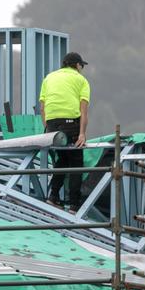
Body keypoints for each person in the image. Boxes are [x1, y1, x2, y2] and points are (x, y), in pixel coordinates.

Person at [39, 52, 90, 212]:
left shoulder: (49, 78)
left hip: (52, 125)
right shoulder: (81, 80)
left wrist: (48, 129)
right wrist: (82, 134)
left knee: (62, 158)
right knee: (76, 161)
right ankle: (74, 204)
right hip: (71, 122)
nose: (82, 69)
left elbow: (42, 108)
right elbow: (83, 111)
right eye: (81, 66)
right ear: (77, 65)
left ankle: (53, 196)